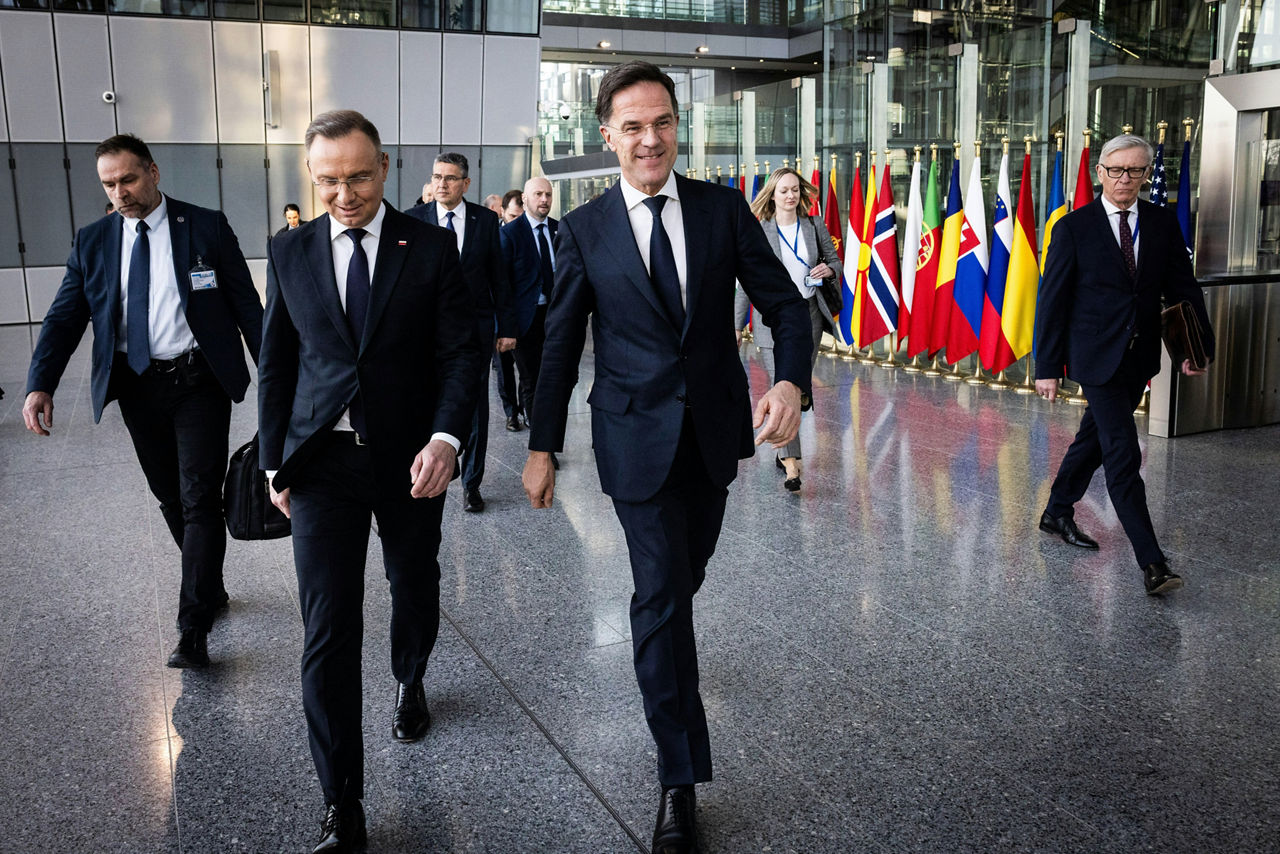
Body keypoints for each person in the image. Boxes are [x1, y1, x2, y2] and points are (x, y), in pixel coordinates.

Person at [521, 61, 811, 854]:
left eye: (662, 123)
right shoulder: (585, 228)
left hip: (715, 438)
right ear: (607, 135)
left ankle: (664, 641)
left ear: (678, 128)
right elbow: (557, 348)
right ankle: (678, 780)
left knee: (683, 580)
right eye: (632, 126)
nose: (650, 139)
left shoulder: (721, 211)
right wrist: (542, 446)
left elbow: (785, 305)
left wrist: (788, 382)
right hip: (631, 438)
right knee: (658, 595)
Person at [257, 110, 479, 852]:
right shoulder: (289, 250)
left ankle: (410, 674)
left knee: (414, 580)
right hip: (322, 462)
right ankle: (341, 803)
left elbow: (459, 355)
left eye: (356, 176)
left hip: (412, 457)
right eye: (327, 180)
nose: (344, 193)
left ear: (384, 167)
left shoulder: (432, 247)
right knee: (326, 629)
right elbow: (278, 362)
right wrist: (271, 459)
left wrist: (448, 439)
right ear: (311, 177)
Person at [23, 133, 263, 668]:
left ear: (153, 172)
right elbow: (65, 317)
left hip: (199, 379)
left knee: (200, 496)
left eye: (128, 179)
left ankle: (193, 624)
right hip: (136, 385)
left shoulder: (205, 226)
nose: (120, 192)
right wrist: (41, 383)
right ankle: (209, 583)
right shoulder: (93, 241)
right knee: (169, 496)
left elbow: (248, 306)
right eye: (109, 184)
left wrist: (278, 379)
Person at [1034, 133, 1215, 596]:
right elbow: (1052, 302)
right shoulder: (1073, 228)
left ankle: (1057, 511)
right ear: (1100, 173)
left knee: (1093, 439)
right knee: (1122, 452)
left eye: (1135, 171)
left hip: (1139, 357)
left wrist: (1197, 347)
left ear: (1145, 174)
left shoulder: (1159, 223)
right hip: (1095, 358)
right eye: (1116, 170)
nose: (1125, 179)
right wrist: (1047, 365)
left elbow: (1182, 288)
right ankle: (1152, 562)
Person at [407, 152, 515, 514]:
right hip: (425, 331)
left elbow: (499, 276)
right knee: (425, 399)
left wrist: (507, 326)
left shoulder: (485, 220)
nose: (442, 184)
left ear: (466, 184)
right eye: (437, 176)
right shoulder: (414, 220)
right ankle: (425, 470)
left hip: (475, 331)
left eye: (451, 178)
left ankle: (471, 483)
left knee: (476, 407)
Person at [734, 167, 842, 492]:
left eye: (795, 189)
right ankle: (792, 464)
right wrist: (736, 325)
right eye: (784, 190)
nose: (791, 195)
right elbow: (743, 284)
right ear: (773, 194)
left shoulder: (814, 225)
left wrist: (829, 270)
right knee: (783, 385)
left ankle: (782, 445)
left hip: (810, 316)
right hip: (773, 321)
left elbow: (836, 261)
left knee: (799, 387)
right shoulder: (761, 230)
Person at [499, 176, 557, 447]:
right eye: (538, 194)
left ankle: (547, 432)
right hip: (526, 321)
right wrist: (506, 329)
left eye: (547, 194)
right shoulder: (511, 233)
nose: (544, 199)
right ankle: (541, 445)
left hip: (556, 318)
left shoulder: (560, 230)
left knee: (557, 378)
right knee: (532, 379)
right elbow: (502, 285)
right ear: (525, 198)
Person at [494, 189, 527, 429]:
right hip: (501, 315)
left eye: (521, 217)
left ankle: (525, 408)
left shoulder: (528, 236)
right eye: (513, 216)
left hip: (524, 315)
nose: (517, 222)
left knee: (526, 369)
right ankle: (510, 412)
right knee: (504, 368)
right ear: (502, 212)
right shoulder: (492, 235)